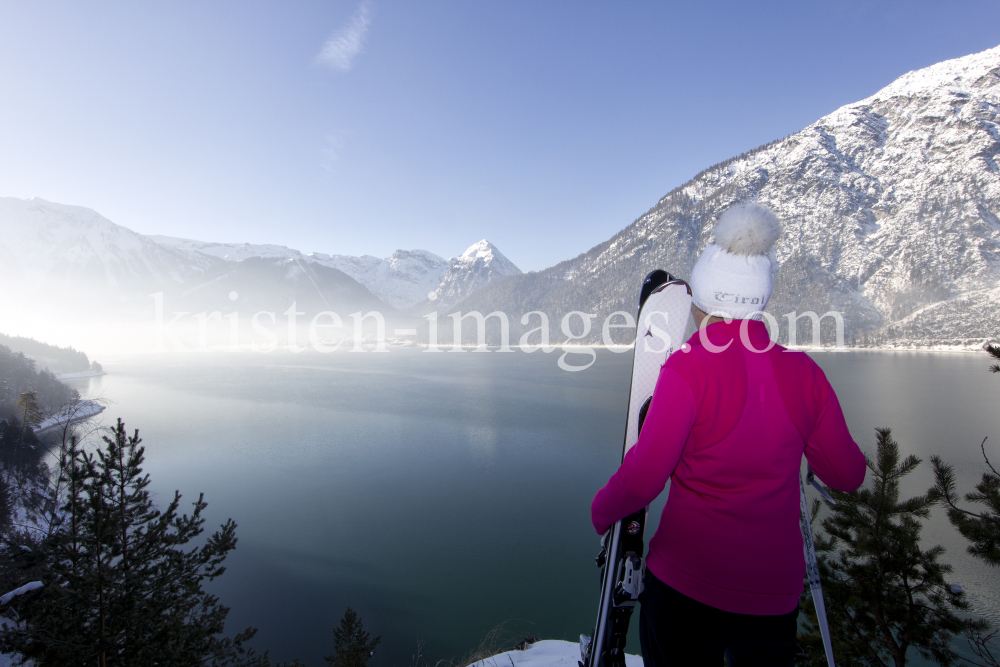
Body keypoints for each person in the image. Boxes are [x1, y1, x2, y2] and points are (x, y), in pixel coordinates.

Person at [591, 202, 866, 666]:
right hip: (771, 599)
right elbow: (846, 473)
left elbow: (645, 477)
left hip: (684, 586)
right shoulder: (806, 375)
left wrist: (602, 513)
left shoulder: (686, 369)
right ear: (761, 299)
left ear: (699, 302)